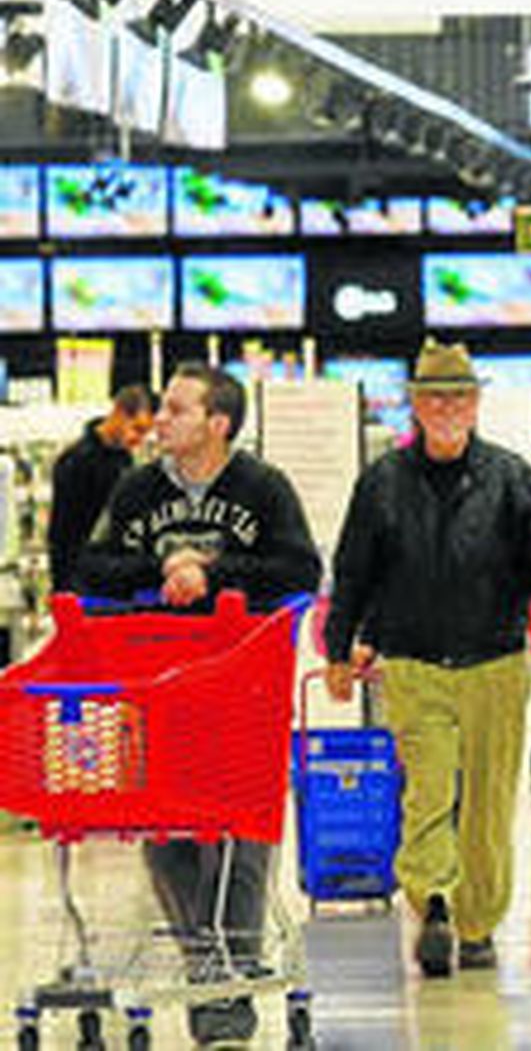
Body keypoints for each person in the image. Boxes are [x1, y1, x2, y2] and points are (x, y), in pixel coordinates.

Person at [74, 364, 320, 1048]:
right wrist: (163, 566)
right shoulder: (136, 489)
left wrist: (209, 571)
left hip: (244, 689)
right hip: (157, 692)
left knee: (240, 833)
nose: (160, 420)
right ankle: (205, 959)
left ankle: (227, 990)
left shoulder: (263, 488)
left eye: (178, 410)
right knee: (167, 836)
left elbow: (300, 571)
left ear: (218, 424)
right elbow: (90, 568)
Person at [322, 340, 531, 978]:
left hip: (495, 659)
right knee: (429, 792)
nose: (446, 407)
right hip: (412, 663)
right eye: (434, 395)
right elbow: (354, 569)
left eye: (458, 395)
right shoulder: (382, 483)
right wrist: (339, 646)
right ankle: (434, 903)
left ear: (476, 403)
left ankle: (478, 922)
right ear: (414, 404)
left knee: (490, 801)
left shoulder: (512, 478)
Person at [47, 383, 152, 591]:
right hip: (78, 577)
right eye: (137, 429)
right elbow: (62, 533)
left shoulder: (124, 460)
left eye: (145, 434)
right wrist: (64, 587)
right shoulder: (75, 461)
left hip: (111, 573)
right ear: (119, 412)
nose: (138, 440)